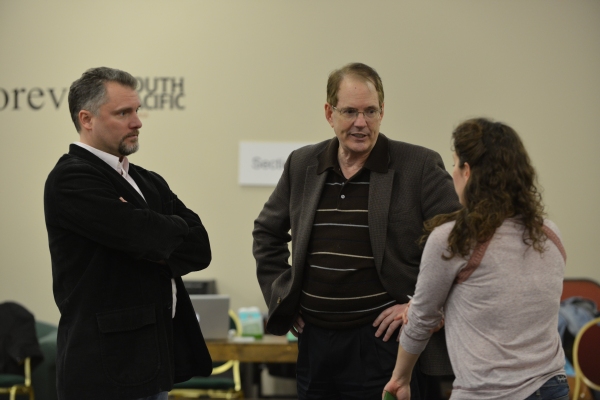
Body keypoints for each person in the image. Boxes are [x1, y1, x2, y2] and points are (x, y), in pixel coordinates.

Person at [252, 62, 461, 399]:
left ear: (382, 112)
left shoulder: (418, 166)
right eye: (349, 111)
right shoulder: (302, 163)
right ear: (329, 113)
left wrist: (420, 306)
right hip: (315, 345)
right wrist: (283, 296)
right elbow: (266, 233)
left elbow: (460, 244)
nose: (360, 123)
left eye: (370, 111)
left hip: (385, 345)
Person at [44, 67, 213, 400]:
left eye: (136, 111)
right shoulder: (71, 179)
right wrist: (162, 228)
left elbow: (200, 247)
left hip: (152, 362)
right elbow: (145, 237)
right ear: (86, 119)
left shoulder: (147, 179)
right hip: (104, 370)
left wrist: (153, 227)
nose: (137, 122)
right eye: (123, 113)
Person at [383, 118, 569, 400]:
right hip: (553, 387)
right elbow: (508, 300)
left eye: (455, 163)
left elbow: (420, 319)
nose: (453, 172)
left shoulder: (455, 239)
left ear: (467, 171)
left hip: (490, 392)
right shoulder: (549, 233)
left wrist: (400, 377)